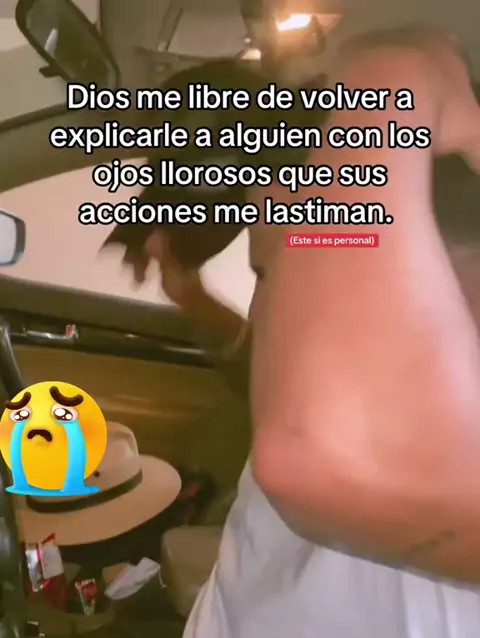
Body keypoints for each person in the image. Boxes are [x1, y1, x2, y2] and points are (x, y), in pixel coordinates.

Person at [116, 26, 480, 638]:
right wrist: (194, 299)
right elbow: (281, 404)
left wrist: (395, 69)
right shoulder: (353, 391)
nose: (271, 311)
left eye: (276, 276)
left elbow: (306, 451)